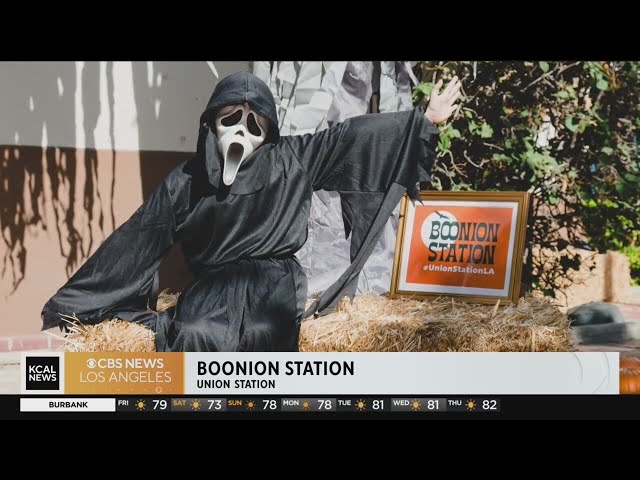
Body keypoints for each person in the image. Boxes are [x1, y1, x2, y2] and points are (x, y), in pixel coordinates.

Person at [41, 71, 462, 352]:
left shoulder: (290, 159)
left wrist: (423, 121)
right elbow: (138, 237)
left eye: (253, 122)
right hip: (213, 284)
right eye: (231, 117)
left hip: (274, 281)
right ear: (211, 123)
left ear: (267, 131)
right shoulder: (186, 181)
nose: (241, 129)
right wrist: (76, 302)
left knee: (265, 333)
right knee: (194, 333)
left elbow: (350, 137)